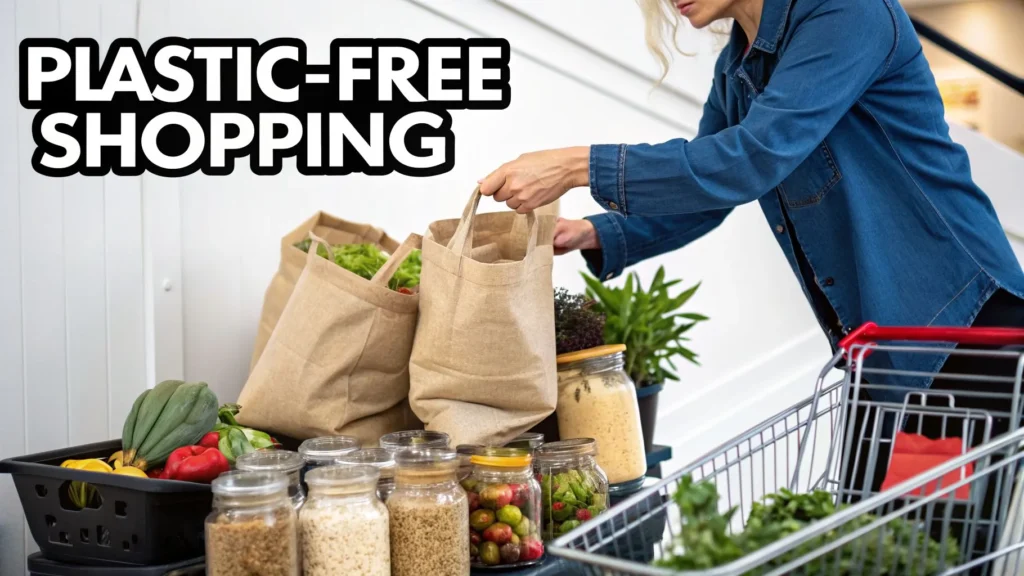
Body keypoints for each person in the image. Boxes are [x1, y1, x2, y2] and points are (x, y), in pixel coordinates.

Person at [478, 0, 1024, 500]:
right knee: (872, 541)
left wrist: (578, 165)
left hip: (963, 326)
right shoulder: (739, 65)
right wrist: (592, 232)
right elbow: (705, 194)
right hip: (883, 346)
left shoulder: (849, 14)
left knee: (932, 547)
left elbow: (750, 159)